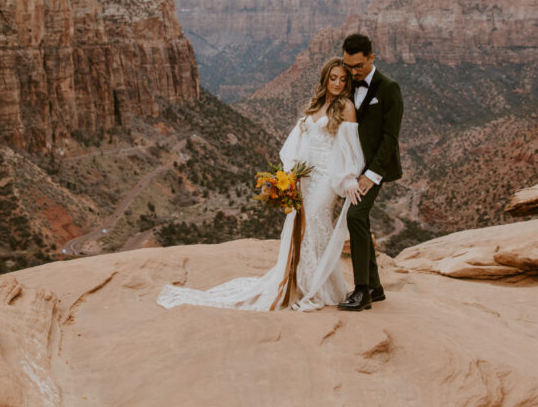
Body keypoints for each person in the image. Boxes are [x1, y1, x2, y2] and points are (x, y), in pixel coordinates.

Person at [157, 57, 364, 312]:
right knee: (301, 225)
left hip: (327, 179)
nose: (337, 83)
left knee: (317, 224)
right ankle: (298, 283)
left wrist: (349, 177)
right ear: (325, 78)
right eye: (333, 78)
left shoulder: (346, 107)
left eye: (343, 80)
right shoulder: (317, 103)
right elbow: (299, 141)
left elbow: (351, 149)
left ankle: (318, 287)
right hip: (306, 177)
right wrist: (290, 175)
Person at [338, 33, 403, 312]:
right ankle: (376, 288)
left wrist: (372, 173)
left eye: (358, 67)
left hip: (374, 168)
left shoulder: (389, 88)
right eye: (348, 66)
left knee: (355, 216)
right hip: (350, 167)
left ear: (372, 58)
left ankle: (362, 291)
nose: (353, 72)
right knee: (361, 220)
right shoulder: (346, 83)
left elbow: (391, 137)